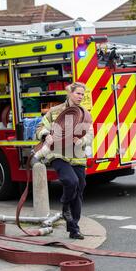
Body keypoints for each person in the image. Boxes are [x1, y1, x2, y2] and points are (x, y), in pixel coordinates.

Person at [36, 82, 94, 240]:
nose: (81, 97)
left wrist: (82, 141)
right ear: (70, 93)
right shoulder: (55, 112)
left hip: (77, 157)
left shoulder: (85, 114)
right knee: (71, 181)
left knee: (79, 190)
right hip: (58, 154)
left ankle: (73, 228)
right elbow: (40, 127)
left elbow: (90, 134)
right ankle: (65, 205)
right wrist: (45, 134)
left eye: (83, 94)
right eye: (78, 93)